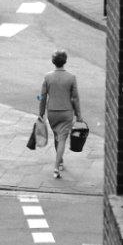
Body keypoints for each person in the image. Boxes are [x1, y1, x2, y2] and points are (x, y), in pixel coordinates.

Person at [38, 49, 84, 179]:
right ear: (65, 61)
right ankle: (56, 168)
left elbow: (42, 97)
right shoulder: (71, 77)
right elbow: (75, 98)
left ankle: (60, 161)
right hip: (66, 113)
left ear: (53, 62)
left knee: (57, 137)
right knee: (62, 138)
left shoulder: (47, 77)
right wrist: (78, 115)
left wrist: (41, 113)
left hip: (52, 112)